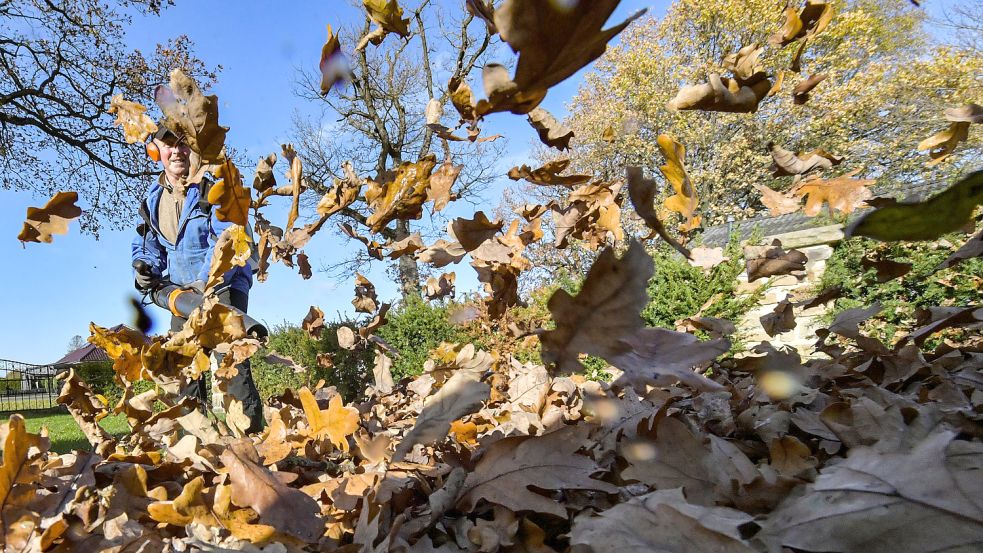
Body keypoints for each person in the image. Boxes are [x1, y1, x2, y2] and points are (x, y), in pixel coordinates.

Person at [131, 125, 264, 433]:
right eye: (168, 145)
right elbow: (149, 246)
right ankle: (201, 440)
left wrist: (204, 284)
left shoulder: (214, 189)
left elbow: (227, 241)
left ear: (194, 150)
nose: (176, 151)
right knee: (185, 364)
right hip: (183, 292)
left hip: (224, 283)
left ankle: (255, 439)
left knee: (232, 363)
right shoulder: (153, 201)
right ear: (157, 152)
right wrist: (144, 266)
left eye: (182, 144)